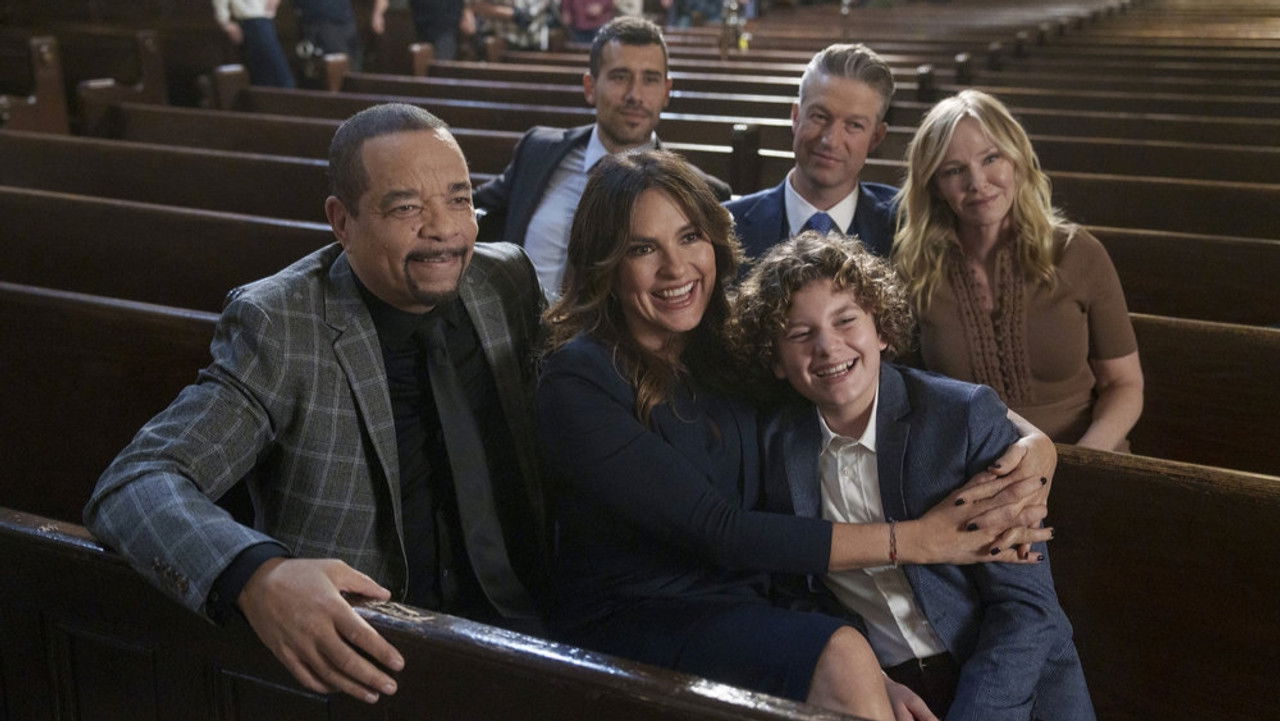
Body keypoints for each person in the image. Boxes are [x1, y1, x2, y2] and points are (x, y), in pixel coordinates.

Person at [535, 150, 1053, 718]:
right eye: (642, 249)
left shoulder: (725, 350)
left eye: (689, 237)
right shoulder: (578, 379)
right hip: (636, 617)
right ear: (605, 264)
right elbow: (720, 530)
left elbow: (866, 381)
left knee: (851, 661)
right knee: (843, 654)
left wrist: (1034, 443)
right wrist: (918, 541)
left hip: (755, 606)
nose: (675, 268)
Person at [84, 104, 546, 705]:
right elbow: (135, 482)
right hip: (365, 656)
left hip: (532, 628)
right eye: (406, 208)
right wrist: (258, 574)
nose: (444, 229)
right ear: (342, 221)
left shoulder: (505, 280)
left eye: (459, 200)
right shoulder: (281, 325)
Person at [734, 231, 1095, 721]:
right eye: (800, 334)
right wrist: (868, 676)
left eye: (846, 320)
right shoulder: (776, 445)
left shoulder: (961, 419)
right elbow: (798, 590)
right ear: (776, 359)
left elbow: (1026, 610)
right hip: (884, 690)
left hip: (1007, 685)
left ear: (881, 329)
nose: (828, 347)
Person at [893, 89, 1143, 450]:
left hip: (1086, 453)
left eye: (991, 158)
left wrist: (1085, 459)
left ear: (1017, 159)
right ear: (935, 186)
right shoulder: (914, 270)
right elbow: (904, 395)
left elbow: (1123, 384)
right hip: (971, 465)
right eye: (954, 170)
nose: (977, 182)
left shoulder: (1077, 252)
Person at [473, 16, 731, 300]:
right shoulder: (539, 151)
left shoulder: (698, 192)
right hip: (518, 322)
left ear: (666, 91)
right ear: (590, 86)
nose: (635, 95)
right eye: (620, 77)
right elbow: (471, 209)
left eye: (650, 79)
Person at [726, 43, 898, 261]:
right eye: (820, 116)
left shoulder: (902, 229)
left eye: (854, 125)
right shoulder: (727, 227)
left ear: (876, 137)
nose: (830, 140)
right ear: (796, 117)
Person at [213, 0, 296, 87]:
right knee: (281, 79)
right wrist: (225, 22)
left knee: (269, 78)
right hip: (252, 21)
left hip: (264, 20)